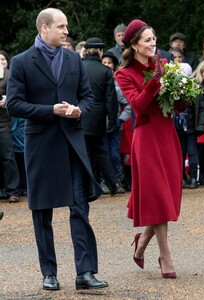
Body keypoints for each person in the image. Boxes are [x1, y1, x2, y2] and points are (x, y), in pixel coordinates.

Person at [6, 8, 108, 291]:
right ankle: (48, 273)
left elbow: (88, 98)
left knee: (79, 206)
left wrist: (79, 111)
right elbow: (14, 104)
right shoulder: (22, 61)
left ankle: (85, 273)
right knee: (42, 211)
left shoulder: (74, 58)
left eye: (66, 27)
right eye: (61, 27)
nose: (66, 32)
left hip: (73, 143)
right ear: (44, 28)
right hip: (40, 144)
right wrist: (50, 110)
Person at [115, 19, 183, 279]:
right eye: (147, 40)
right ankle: (165, 257)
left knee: (168, 195)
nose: (153, 43)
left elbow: (174, 106)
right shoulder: (124, 74)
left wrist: (182, 98)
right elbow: (139, 106)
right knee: (157, 196)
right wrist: (157, 79)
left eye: (154, 38)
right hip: (145, 137)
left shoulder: (164, 65)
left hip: (167, 134)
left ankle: (142, 241)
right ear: (134, 45)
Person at [82, 37, 125, 195]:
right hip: (98, 116)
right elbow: (111, 100)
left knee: (85, 151)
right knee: (100, 151)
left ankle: (88, 186)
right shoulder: (105, 71)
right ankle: (113, 184)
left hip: (80, 113)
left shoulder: (79, 67)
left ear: (86, 50)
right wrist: (113, 120)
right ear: (100, 51)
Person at [170, 48, 204, 189]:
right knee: (179, 153)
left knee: (192, 153)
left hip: (191, 126)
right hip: (177, 126)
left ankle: (194, 178)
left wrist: (200, 126)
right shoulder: (171, 87)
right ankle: (180, 178)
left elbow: (200, 108)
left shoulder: (195, 86)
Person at [101, 51, 132, 191]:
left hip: (115, 127)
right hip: (100, 126)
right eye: (104, 63)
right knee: (103, 154)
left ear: (114, 66)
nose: (107, 65)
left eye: (109, 63)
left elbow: (129, 105)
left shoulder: (116, 87)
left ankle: (118, 180)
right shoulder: (97, 84)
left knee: (114, 154)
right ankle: (105, 181)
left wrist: (121, 119)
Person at [0, 50, 20, 203]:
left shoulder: (8, 74)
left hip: (3, 122)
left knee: (8, 156)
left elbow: (15, 93)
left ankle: (12, 190)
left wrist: (5, 100)